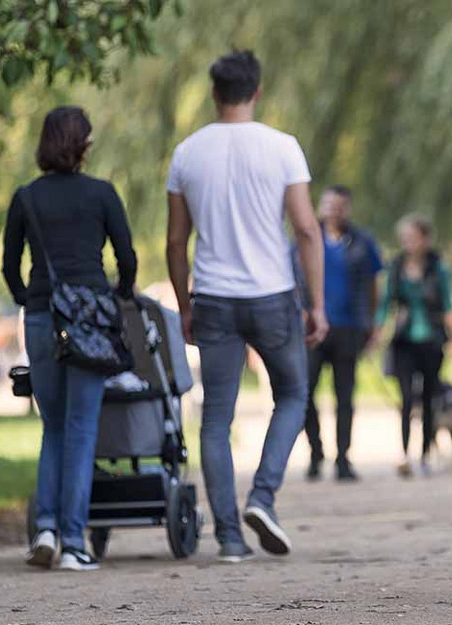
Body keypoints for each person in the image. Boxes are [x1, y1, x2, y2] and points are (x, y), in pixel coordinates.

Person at [165, 50, 328, 564]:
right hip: (271, 295)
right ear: (257, 92)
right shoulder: (282, 148)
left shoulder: (187, 153)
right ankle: (263, 495)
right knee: (295, 394)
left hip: (213, 297)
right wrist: (317, 305)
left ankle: (230, 539)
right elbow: (305, 228)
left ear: (215, 94)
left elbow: (175, 241)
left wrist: (184, 304)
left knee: (215, 420)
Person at [2, 106, 138, 571]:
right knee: (81, 432)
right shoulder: (101, 194)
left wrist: (32, 299)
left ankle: (45, 528)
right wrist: (114, 297)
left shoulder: (26, 197)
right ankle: (76, 542)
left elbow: (9, 266)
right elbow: (127, 258)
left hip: (41, 319)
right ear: (81, 144)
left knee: (53, 428)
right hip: (90, 325)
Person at [295, 185, 383, 482]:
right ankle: (316, 452)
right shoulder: (306, 238)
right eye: (329, 204)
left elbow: (374, 283)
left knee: (345, 397)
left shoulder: (362, 242)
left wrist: (371, 323)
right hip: (311, 329)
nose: (334, 210)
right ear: (321, 206)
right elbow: (292, 278)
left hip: (348, 327)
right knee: (306, 393)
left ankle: (343, 458)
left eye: (340, 206)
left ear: (348, 209)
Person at [374, 215, 452, 479]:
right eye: (404, 238)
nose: (407, 243)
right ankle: (405, 454)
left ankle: (425, 455)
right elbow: (386, 302)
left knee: (430, 397)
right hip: (404, 341)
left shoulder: (438, 268)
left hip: (432, 340)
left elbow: (448, 305)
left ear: (424, 239)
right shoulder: (396, 267)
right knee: (407, 399)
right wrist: (377, 332)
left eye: (411, 237)